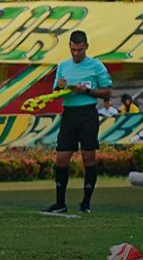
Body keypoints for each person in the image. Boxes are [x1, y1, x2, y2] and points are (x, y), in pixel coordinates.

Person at [44, 30, 113, 214]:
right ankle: (60, 203)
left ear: (86, 47)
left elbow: (107, 92)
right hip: (69, 114)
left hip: (88, 114)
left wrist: (87, 91)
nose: (76, 54)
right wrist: (61, 86)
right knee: (61, 159)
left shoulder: (96, 65)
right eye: (73, 50)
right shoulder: (63, 66)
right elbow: (55, 91)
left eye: (79, 50)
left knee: (88, 158)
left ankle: (86, 203)